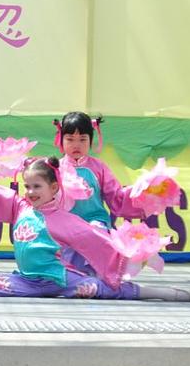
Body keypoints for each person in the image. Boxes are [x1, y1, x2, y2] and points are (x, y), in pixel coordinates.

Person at [0, 157, 190, 302]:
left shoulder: (64, 220)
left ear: (54, 187)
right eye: (27, 186)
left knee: (114, 291)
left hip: (59, 281)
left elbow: (98, 241)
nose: (30, 192)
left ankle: (176, 294)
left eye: (37, 186)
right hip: (27, 279)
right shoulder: (20, 207)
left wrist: (132, 252)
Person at [55, 111, 150, 272]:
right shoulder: (55, 168)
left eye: (82, 139)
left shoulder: (99, 167)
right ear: (61, 140)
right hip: (65, 223)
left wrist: (141, 193)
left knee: (95, 233)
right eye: (70, 139)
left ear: (91, 141)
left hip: (94, 220)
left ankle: (94, 276)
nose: (76, 145)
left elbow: (116, 197)